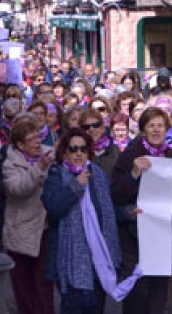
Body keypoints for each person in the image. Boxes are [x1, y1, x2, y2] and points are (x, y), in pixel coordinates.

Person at [43, 128, 138, 313]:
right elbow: (54, 209)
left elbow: (107, 211)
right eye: (73, 149)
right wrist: (76, 186)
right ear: (64, 152)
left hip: (98, 260)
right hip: (72, 263)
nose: (78, 153)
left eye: (83, 149)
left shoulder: (98, 175)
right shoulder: (56, 175)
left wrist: (127, 212)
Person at [111, 107, 172, 313]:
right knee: (138, 293)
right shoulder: (130, 155)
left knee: (158, 291)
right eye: (151, 125)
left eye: (160, 126)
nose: (156, 130)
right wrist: (133, 174)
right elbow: (116, 195)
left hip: (162, 233)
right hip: (133, 235)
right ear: (143, 129)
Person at [3, 120, 55, 314]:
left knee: (44, 284)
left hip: (45, 229)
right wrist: (38, 168)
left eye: (38, 137)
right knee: (23, 286)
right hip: (21, 231)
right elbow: (18, 189)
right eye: (31, 139)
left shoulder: (50, 154)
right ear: (20, 145)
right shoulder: (11, 163)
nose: (37, 142)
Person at [82, 109, 120, 178]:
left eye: (95, 125)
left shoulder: (114, 150)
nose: (91, 129)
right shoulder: (78, 152)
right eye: (86, 127)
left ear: (103, 128)